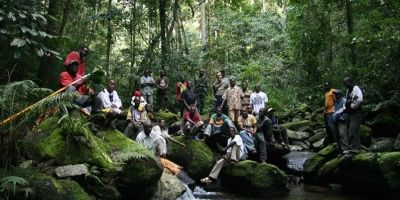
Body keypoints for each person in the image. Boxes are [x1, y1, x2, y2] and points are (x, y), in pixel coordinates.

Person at [343, 77, 363, 157]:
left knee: (353, 130)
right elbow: (346, 100)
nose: (345, 85)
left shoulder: (356, 88)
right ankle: (355, 148)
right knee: (350, 131)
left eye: (346, 83)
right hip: (349, 114)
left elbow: (359, 99)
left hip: (355, 113)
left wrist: (352, 106)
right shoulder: (348, 90)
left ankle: (354, 150)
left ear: (350, 82)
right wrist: (345, 108)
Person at [323, 81, 336, 146]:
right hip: (326, 112)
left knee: (331, 126)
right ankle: (330, 142)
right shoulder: (326, 93)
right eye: (325, 86)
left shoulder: (333, 91)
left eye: (327, 85)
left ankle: (335, 141)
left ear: (330, 86)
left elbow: (336, 100)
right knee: (328, 127)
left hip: (331, 111)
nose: (326, 87)